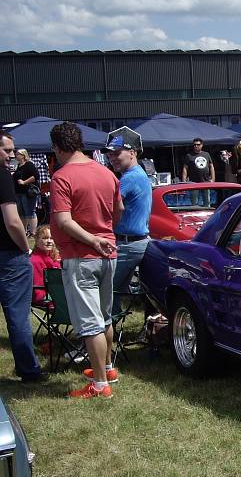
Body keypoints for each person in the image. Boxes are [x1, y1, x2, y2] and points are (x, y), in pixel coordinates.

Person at [49, 121, 123, 399]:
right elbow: (119, 209)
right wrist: (104, 234)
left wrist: (92, 240)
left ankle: (100, 385)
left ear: (57, 148)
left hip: (81, 256)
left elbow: (63, 221)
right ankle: (107, 368)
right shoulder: (106, 172)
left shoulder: (62, 177)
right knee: (105, 317)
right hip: (108, 253)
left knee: (91, 324)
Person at [0, 132, 45, 383]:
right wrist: (25, 248)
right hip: (9, 256)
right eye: (6, 150)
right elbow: (13, 221)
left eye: (13, 150)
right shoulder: (3, 176)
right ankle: (29, 369)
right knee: (18, 316)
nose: (11, 155)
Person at [104, 127, 151, 318]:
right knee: (115, 292)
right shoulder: (138, 173)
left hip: (127, 244)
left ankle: (106, 328)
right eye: (109, 155)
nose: (112, 158)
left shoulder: (129, 178)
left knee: (106, 291)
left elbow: (109, 207)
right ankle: (113, 326)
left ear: (132, 153)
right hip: (135, 242)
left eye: (116, 153)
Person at [30, 224, 60, 306]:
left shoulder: (56, 257)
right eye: (45, 238)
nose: (49, 241)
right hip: (46, 297)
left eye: (51, 238)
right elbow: (38, 291)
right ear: (37, 240)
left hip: (59, 294)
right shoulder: (35, 261)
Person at [12, 149, 39, 238]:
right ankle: (24, 231)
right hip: (18, 192)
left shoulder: (29, 164)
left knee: (29, 212)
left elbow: (36, 176)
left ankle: (33, 232)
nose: (16, 155)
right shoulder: (18, 165)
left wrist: (24, 182)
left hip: (27, 193)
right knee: (21, 213)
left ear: (23, 155)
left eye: (18, 154)